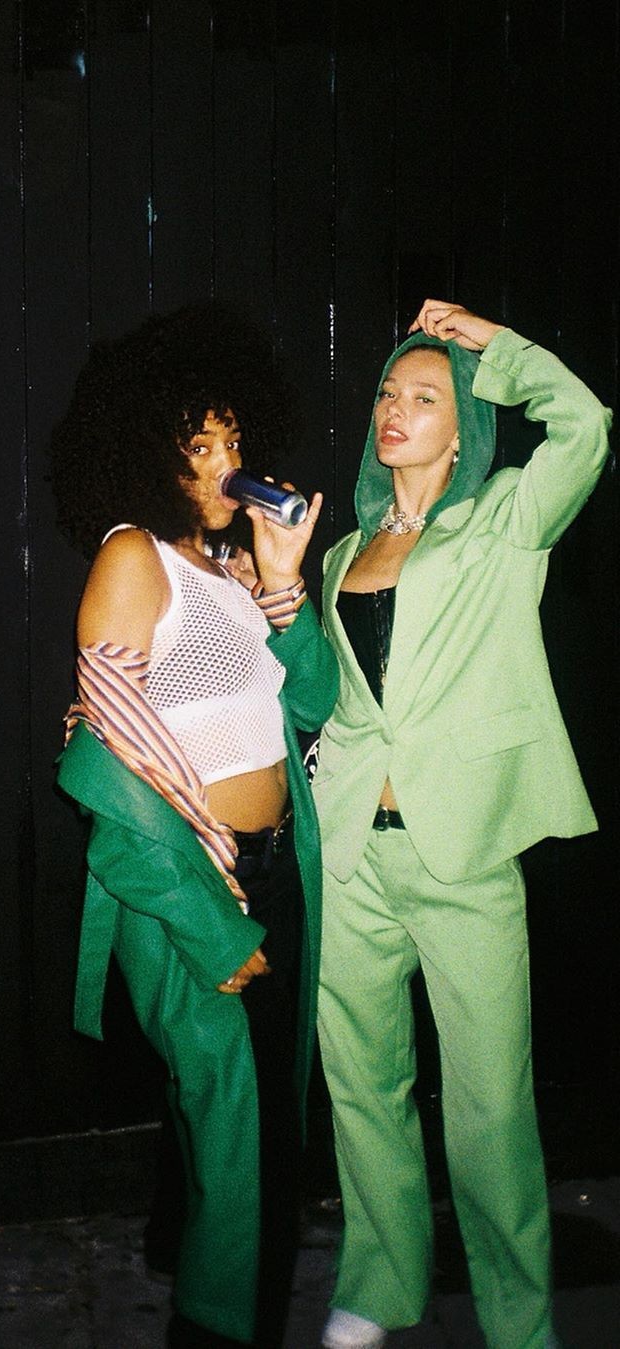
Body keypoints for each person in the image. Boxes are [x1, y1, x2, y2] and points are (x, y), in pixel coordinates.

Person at [313, 299, 612, 1349]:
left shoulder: (504, 523)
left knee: (491, 1106)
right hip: (352, 853)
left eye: (427, 398)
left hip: (465, 853)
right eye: (388, 393)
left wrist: (491, 345)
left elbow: (586, 425)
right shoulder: (341, 550)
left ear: (464, 428)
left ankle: (519, 1320)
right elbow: (345, 697)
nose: (396, 409)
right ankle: (380, 1282)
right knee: (363, 1088)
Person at [48, 305, 338, 1347]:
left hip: (278, 867)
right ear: (145, 451)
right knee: (244, 1141)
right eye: (199, 445)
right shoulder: (135, 559)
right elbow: (107, 776)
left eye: (232, 441)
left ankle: (187, 1252)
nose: (227, 465)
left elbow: (315, 701)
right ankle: (218, 1330)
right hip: (192, 885)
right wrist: (211, 925)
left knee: (252, 1111)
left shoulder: (227, 573)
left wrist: (283, 579)